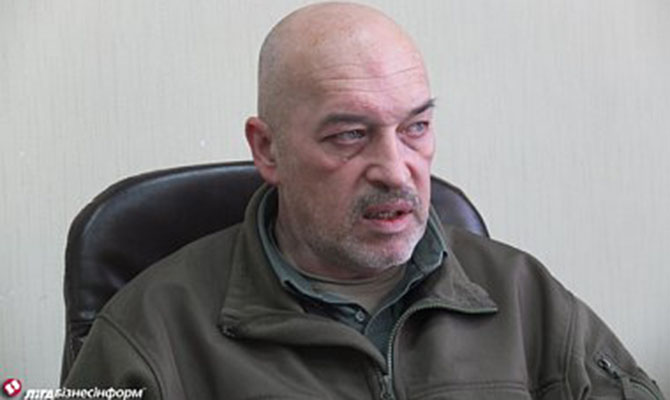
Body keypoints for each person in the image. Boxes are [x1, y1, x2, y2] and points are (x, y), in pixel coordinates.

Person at [64, 3, 665, 399]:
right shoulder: (152, 329)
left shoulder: (521, 294)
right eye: (351, 135)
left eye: (415, 128)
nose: (396, 170)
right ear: (267, 148)